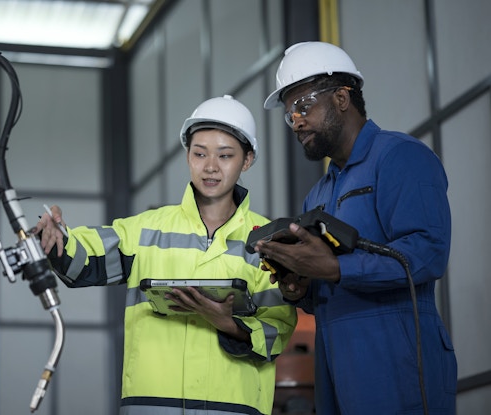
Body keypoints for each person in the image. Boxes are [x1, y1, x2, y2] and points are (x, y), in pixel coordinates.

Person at [35, 95, 297, 415]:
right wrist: (57, 235)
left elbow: (278, 330)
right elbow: (83, 257)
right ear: (188, 156)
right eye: (200, 154)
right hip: (151, 406)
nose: (210, 166)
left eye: (225, 155)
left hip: (231, 408)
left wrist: (230, 325)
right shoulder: (146, 231)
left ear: (247, 160)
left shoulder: (267, 241)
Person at [254, 41, 457, 414]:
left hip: (398, 360)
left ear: (342, 98)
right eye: (289, 115)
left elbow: (428, 253)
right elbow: (327, 290)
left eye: (303, 106)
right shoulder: (318, 193)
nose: (296, 121)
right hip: (334, 368)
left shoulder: (400, 157)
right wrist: (301, 287)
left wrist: (335, 268)